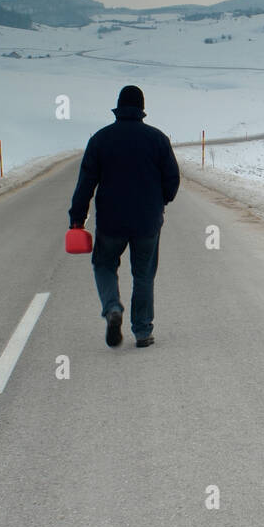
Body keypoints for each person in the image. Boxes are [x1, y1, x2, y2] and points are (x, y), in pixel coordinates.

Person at [68, 85, 180, 348]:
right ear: (142, 109)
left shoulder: (100, 139)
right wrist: (159, 201)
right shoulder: (158, 139)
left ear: (118, 107)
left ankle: (112, 308)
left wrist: (77, 218)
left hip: (111, 221)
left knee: (104, 265)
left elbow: (86, 183)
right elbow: (172, 180)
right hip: (147, 221)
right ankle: (142, 332)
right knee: (143, 275)